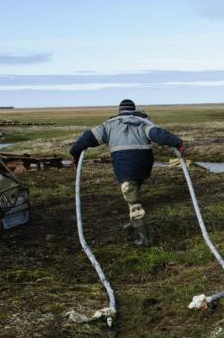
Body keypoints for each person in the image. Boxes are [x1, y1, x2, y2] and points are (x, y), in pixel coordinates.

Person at [70, 99, 184, 246]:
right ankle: (134, 224)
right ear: (133, 109)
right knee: (133, 192)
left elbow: (87, 138)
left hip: (125, 168)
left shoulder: (109, 125)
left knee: (133, 203)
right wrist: (178, 142)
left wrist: (75, 153)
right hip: (144, 166)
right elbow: (158, 134)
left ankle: (144, 239)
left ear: (120, 110)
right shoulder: (143, 123)